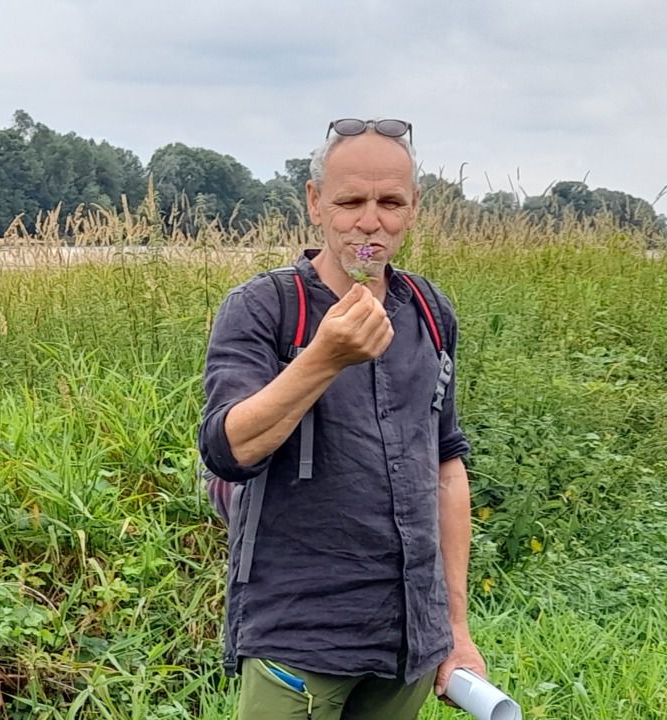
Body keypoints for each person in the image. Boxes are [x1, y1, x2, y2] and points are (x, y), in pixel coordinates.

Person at [197, 118, 487, 719]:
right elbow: (227, 448)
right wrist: (324, 358)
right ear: (314, 203)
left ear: (413, 209)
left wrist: (455, 628)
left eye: (390, 202)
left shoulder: (430, 312)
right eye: (350, 201)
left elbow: (446, 467)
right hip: (299, 639)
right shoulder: (263, 308)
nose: (369, 222)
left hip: (409, 639)